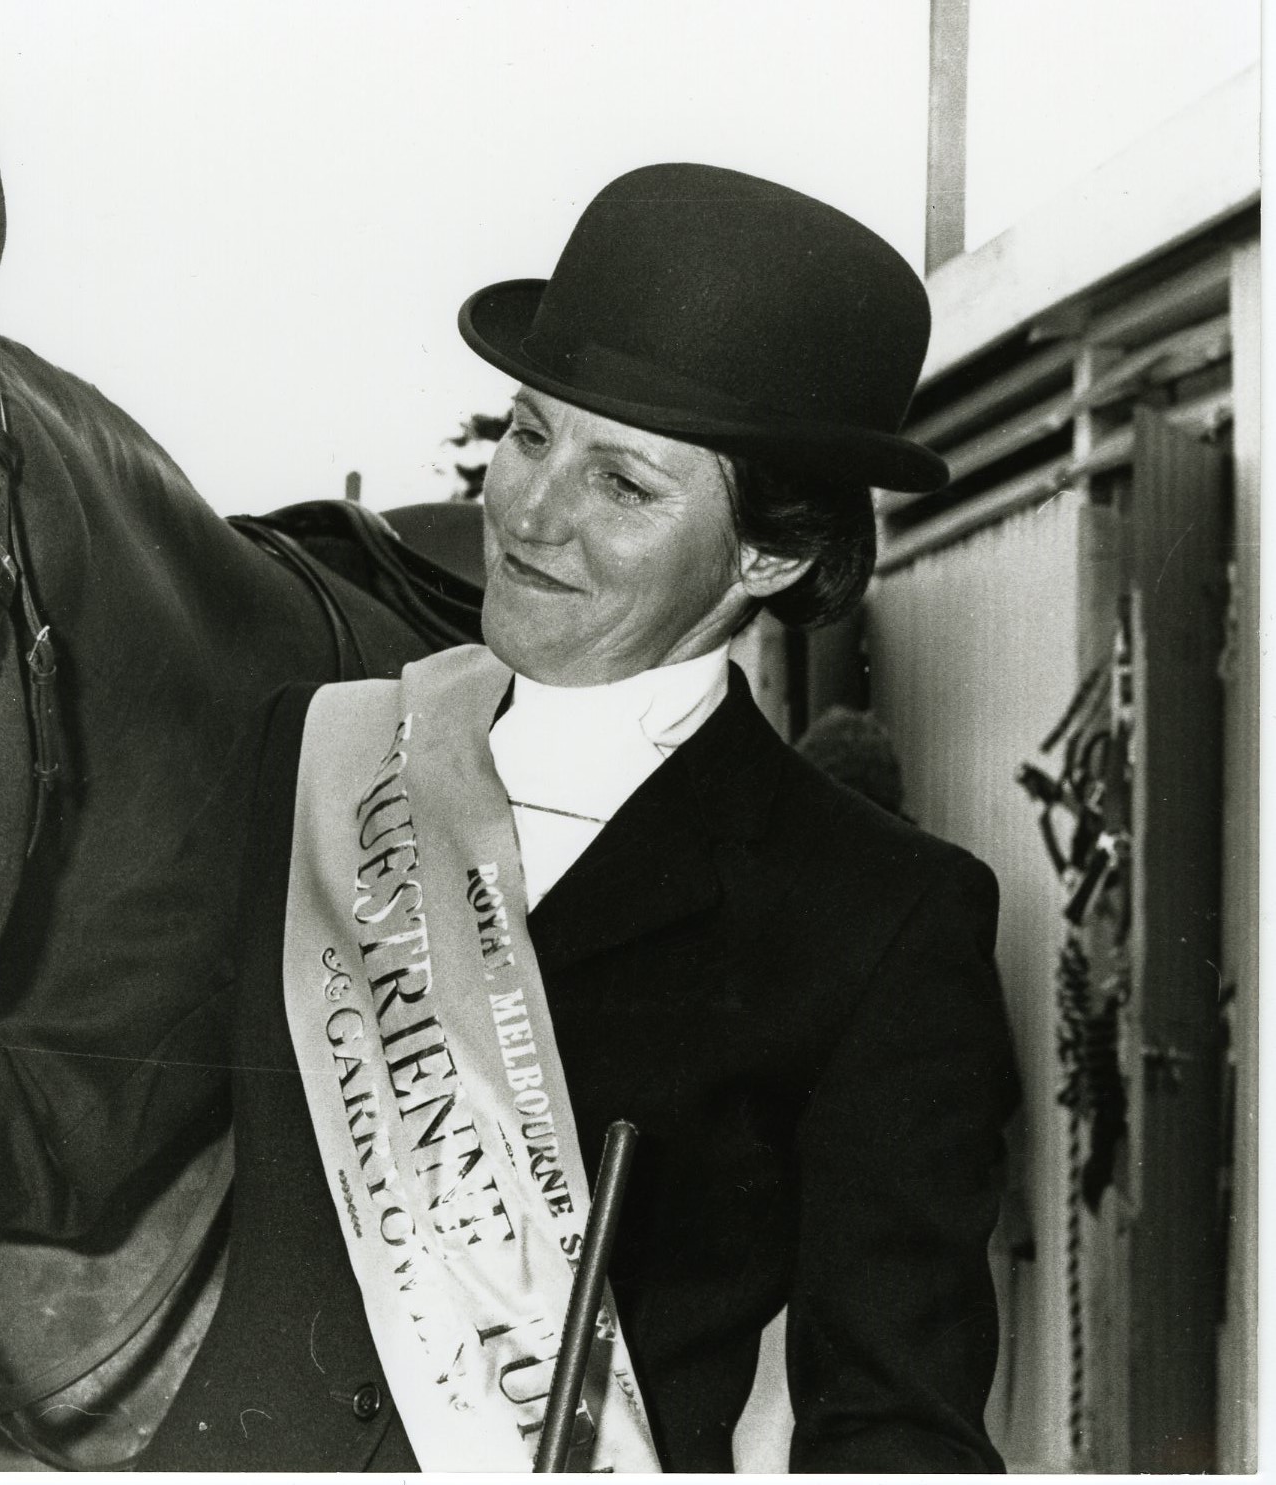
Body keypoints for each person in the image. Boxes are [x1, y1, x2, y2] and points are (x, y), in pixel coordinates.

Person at [136, 163, 1020, 1472]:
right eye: (529, 432)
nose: (528, 511)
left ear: (767, 556)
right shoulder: (315, 759)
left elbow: (894, 1429)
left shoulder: (875, 918)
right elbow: (101, 1142)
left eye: (623, 483)